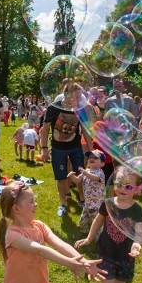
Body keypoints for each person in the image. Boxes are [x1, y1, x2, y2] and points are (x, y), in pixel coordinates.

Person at [0, 181, 105, 283]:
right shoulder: (13, 235)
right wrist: (69, 263)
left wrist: (84, 262)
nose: (36, 204)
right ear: (16, 208)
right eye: (31, 201)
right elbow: (40, 250)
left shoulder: (39, 226)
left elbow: (61, 244)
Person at [75, 166, 142, 283]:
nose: (122, 189)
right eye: (119, 184)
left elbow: (140, 230)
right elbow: (98, 221)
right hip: (106, 253)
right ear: (113, 185)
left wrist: (137, 243)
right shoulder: (107, 204)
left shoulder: (137, 211)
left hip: (126, 256)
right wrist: (89, 238)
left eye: (128, 187)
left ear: (136, 190)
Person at [41, 81, 93, 217]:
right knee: (61, 177)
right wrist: (44, 148)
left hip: (75, 147)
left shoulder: (79, 109)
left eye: (79, 97)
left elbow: (86, 131)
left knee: (80, 174)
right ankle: (63, 204)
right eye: (76, 97)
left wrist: (91, 150)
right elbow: (45, 129)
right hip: (58, 148)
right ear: (66, 95)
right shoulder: (54, 108)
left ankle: (82, 199)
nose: (78, 100)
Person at [67, 150, 106, 234]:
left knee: (97, 222)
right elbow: (77, 180)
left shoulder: (100, 172)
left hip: (97, 204)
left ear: (102, 164)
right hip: (87, 203)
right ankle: (84, 233)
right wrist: (71, 176)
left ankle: (99, 238)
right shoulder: (87, 171)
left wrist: (85, 173)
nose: (91, 159)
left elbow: (95, 178)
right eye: (90, 157)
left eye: (95, 158)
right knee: (83, 221)